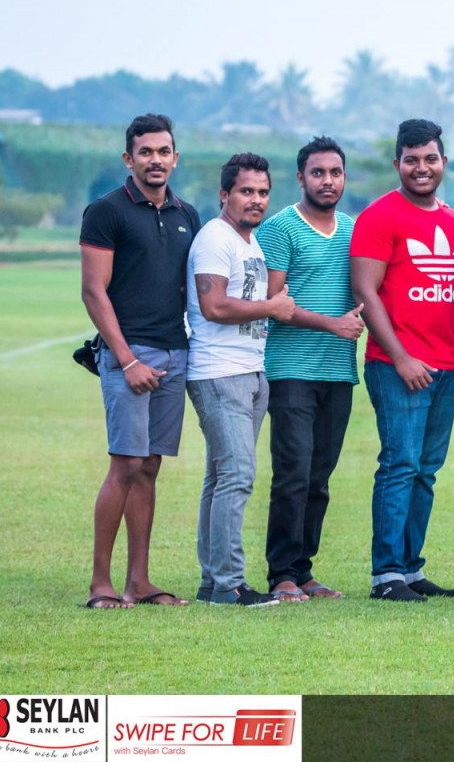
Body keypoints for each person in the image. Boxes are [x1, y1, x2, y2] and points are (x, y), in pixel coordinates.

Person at [351, 119, 454, 603]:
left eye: (430, 159)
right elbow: (364, 291)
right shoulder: (379, 217)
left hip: (447, 366)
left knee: (426, 469)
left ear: (443, 162)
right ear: (397, 164)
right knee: (400, 464)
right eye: (411, 160)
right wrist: (400, 358)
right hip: (396, 367)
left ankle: (411, 569)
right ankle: (386, 574)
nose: (421, 168)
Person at [79, 113, 202, 609]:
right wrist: (127, 360)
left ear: (175, 157)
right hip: (128, 355)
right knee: (126, 463)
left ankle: (140, 582)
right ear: (128, 159)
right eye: (145, 152)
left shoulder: (187, 214)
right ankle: (101, 584)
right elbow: (93, 291)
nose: (156, 160)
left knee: (149, 467)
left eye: (163, 151)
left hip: (175, 353)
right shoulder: (106, 211)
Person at [256, 137, 365, 602]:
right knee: (293, 473)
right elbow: (274, 303)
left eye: (335, 173)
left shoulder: (355, 229)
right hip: (290, 370)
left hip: (338, 372)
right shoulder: (281, 228)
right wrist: (331, 323)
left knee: (319, 478)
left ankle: (304, 571)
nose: (327, 181)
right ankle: (281, 573)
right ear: (301, 177)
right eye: (318, 173)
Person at [186, 152, 292, 608]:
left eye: (263, 192)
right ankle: (230, 583)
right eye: (246, 191)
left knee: (220, 477)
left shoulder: (250, 243)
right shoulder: (215, 238)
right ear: (224, 194)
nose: (256, 200)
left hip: (249, 368)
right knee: (237, 475)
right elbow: (213, 306)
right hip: (219, 371)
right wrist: (272, 307)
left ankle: (213, 582)